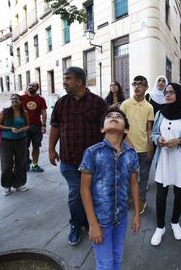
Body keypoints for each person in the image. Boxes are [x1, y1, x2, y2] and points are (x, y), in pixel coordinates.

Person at [49, 66, 108, 246]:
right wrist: (51, 149)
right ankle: (76, 224)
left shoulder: (98, 103)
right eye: (64, 78)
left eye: (68, 78)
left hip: (93, 162)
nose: (64, 82)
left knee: (92, 193)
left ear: (79, 82)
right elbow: (55, 127)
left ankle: (92, 222)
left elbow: (106, 130)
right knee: (76, 193)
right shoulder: (61, 103)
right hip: (69, 160)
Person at [80, 107, 140, 269]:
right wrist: (92, 224)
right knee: (105, 264)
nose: (114, 117)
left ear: (126, 129)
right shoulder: (92, 153)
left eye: (118, 116)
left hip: (121, 218)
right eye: (110, 116)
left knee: (117, 258)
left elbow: (134, 183)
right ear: (102, 128)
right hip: (100, 221)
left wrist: (136, 214)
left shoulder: (131, 154)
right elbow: (84, 189)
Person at [150, 83, 181, 246]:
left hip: (180, 160)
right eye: (166, 92)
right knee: (160, 194)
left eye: (171, 92)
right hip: (164, 159)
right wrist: (158, 139)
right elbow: (154, 134)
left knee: (179, 192)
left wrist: (179, 141)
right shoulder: (160, 114)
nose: (168, 94)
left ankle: (175, 222)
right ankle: (160, 226)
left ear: (178, 94)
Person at [120, 75, 154, 215]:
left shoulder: (149, 107)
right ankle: (128, 198)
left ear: (146, 88)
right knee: (127, 175)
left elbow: (149, 129)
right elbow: (120, 126)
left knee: (143, 176)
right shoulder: (125, 104)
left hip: (143, 148)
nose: (137, 86)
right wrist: (128, 143)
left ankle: (141, 200)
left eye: (140, 84)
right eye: (135, 84)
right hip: (127, 148)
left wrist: (150, 146)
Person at [0, 94, 29, 196]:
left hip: (21, 141)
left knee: (21, 163)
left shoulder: (24, 112)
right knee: (6, 165)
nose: (14, 100)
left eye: (16, 99)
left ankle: (19, 184)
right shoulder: (5, 111)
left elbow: (28, 125)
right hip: (6, 142)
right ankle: (7, 185)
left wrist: (23, 129)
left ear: (20, 101)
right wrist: (10, 128)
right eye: (12, 99)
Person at [21, 82, 47, 172]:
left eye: (33, 86)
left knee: (36, 146)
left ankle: (35, 165)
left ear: (37, 88)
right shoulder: (22, 98)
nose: (31, 87)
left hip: (36, 127)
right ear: (27, 87)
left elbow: (44, 112)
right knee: (24, 147)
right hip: (24, 127)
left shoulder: (41, 99)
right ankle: (26, 163)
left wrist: (43, 125)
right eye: (30, 85)